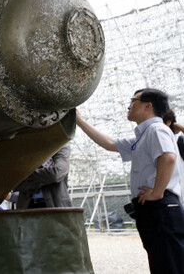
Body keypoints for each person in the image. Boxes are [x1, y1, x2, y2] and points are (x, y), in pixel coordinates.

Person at [76, 88, 184, 274]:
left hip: (161, 205)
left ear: (148, 106)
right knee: (162, 262)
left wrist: (157, 192)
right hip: (153, 208)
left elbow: (168, 157)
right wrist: (79, 121)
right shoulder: (143, 135)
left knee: (170, 264)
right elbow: (110, 144)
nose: (129, 106)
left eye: (133, 101)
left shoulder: (157, 129)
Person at [14, 144, 72, 209]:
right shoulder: (25, 151)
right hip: (27, 207)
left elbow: (56, 174)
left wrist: (26, 175)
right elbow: (15, 181)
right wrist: (46, 176)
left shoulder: (61, 147)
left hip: (55, 206)